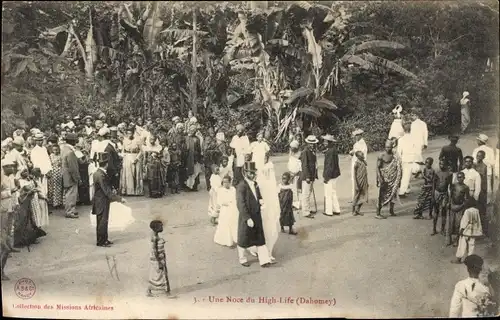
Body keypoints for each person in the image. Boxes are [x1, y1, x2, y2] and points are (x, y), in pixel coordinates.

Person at [236, 161, 273, 268]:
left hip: (256, 214)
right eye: (250, 173)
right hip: (246, 216)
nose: (252, 175)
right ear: (245, 173)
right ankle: (242, 259)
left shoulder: (255, 184)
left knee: (259, 237)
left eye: (253, 173)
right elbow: (240, 204)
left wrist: (261, 201)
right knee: (244, 238)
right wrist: (247, 218)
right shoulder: (241, 186)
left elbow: (258, 195)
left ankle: (264, 260)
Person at [92, 152, 125, 247]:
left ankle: (104, 239)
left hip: (100, 200)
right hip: (102, 201)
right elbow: (107, 191)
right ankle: (101, 241)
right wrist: (119, 199)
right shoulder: (101, 175)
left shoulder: (97, 173)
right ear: (106, 164)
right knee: (102, 221)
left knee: (103, 220)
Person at [257, 153, 280, 262]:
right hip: (263, 194)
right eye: (263, 158)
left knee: (270, 223)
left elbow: (271, 181)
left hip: (269, 195)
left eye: (266, 158)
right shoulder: (261, 168)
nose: (264, 159)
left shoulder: (270, 167)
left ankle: (268, 250)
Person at [376, 139, 402, 219]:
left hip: (393, 179)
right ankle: (378, 213)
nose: (387, 149)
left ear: (392, 147)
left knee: (393, 194)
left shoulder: (395, 156)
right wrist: (378, 178)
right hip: (384, 179)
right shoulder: (381, 155)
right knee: (382, 196)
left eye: (389, 147)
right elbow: (377, 168)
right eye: (386, 147)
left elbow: (399, 168)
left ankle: (391, 210)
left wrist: (399, 180)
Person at [147, 220, 172, 297]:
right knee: (162, 275)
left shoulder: (156, 236)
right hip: (158, 259)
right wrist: (159, 262)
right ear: (156, 228)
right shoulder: (155, 237)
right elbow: (154, 250)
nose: (162, 227)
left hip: (159, 258)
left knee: (157, 276)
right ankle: (167, 293)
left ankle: (149, 290)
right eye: (161, 226)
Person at [213, 175, 238, 247]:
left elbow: (234, 198)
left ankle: (234, 238)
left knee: (233, 223)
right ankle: (226, 240)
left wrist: (232, 203)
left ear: (230, 182)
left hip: (233, 208)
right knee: (225, 223)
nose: (225, 184)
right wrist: (227, 203)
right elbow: (220, 201)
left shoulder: (233, 189)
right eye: (224, 182)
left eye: (227, 182)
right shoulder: (220, 190)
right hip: (225, 208)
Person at [60, 133, 81, 219]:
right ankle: (69, 211)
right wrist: (77, 178)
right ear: (72, 141)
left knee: (69, 192)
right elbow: (73, 167)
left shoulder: (64, 149)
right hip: (70, 175)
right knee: (71, 193)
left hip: (65, 174)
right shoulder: (70, 152)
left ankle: (71, 209)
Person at [397, 121, 420, 196]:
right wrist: (417, 159)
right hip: (411, 159)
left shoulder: (401, 140)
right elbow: (417, 150)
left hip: (405, 159)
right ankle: (402, 192)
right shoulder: (414, 139)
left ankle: (406, 189)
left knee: (406, 175)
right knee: (406, 176)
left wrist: (400, 159)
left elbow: (399, 152)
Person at [120, 125, 144, 196]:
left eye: (130, 133)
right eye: (127, 133)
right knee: (128, 175)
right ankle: (128, 191)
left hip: (135, 156)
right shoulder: (125, 140)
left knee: (136, 174)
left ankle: (138, 190)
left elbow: (142, 151)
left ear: (133, 133)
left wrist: (137, 158)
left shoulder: (137, 140)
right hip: (127, 157)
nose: (129, 135)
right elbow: (123, 151)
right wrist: (123, 156)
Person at [448, 172, 470, 247]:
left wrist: (462, 206)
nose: (460, 179)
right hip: (453, 206)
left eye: (461, 177)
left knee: (458, 224)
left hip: (460, 207)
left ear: (464, 178)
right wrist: (449, 203)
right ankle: (449, 239)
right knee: (451, 223)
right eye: (458, 177)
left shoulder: (466, 187)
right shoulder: (454, 185)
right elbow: (450, 195)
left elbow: (467, 199)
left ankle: (457, 240)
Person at [432, 159, 453, 236]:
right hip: (437, 193)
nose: (441, 166)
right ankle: (434, 229)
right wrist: (433, 196)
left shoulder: (449, 174)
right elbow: (433, 185)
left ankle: (442, 229)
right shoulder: (437, 173)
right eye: (440, 164)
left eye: (443, 164)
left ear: (446, 165)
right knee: (436, 211)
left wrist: (450, 198)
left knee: (444, 211)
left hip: (444, 194)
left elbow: (450, 186)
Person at [322, 134, 341, 216]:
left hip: (330, 175)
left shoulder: (329, 152)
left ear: (329, 142)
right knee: (333, 192)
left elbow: (329, 166)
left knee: (328, 193)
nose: (324, 143)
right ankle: (336, 209)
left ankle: (329, 211)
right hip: (335, 174)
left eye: (325, 141)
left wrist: (326, 177)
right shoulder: (333, 150)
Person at [300, 135, 319, 219]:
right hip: (306, 176)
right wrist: (307, 176)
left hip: (311, 175)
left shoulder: (312, 151)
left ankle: (307, 208)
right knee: (306, 194)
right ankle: (305, 212)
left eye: (313, 143)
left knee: (309, 193)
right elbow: (304, 165)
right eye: (310, 143)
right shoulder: (305, 152)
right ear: (307, 143)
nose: (312, 145)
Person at [474, 150, 491, 237]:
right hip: (475, 190)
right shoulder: (473, 165)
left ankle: (484, 230)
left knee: (482, 211)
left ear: (483, 157)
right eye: (477, 155)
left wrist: (484, 192)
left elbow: (484, 180)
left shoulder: (484, 167)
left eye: (480, 156)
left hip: (482, 191)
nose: (478, 157)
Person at [30, 133, 52, 197]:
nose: (40, 142)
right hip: (39, 172)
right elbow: (35, 162)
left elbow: (47, 160)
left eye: (41, 140)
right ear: (36, 141)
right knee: (40, 188)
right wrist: (40, 172)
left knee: (46, 188)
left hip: (46, 171)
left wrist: (49, 170)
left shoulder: (44, 149)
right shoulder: (34, 150)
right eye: (38, 140)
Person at [349, 129, 367, 202]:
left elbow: (362, 155)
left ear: (360, 135)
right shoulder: (357, 143)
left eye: (357, 135)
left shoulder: (362, 144)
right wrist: (352, 152)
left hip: (359, 163)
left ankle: (357, 198)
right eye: (355, 135)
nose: (356, 137)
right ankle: (354, 197)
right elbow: (355, 151)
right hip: (354, 162)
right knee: (353, 179)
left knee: (358, 180)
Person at [184, 125, 203, 191]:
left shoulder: (197, 139)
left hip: (195, 157)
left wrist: (199, 156)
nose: (192, 131)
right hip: (188, 157)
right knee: (189, 172)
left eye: (194, 130)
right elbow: (185, 148)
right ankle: (188, 186)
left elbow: (199, 148)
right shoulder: (186, 138)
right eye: (191, 130)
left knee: (196, 171)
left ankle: (195, 186)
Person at [47, 144, 63, 208]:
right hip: (54, 172)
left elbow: (61, 164)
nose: (55, 151)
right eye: (54, 150)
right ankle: (54, 203)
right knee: (53, 188)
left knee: (59, 188)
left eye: (56, 150)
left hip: (59, 172)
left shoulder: (60, 156)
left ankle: (59, 202)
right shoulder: (51, 156)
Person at [352, 151, 368, 216]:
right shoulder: (356, 164)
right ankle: (353, 210)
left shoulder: (363, 162)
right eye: (362, 155)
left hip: (364, 181)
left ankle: (357, 210)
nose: (363, 155)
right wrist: (356, 184)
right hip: (358, 182)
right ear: (358, 156)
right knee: (356, 196)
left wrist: (363, 160)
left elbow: (366, 165)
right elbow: (354, 175)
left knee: (363, 196)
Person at [288, 140, 302, 210]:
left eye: (292, 148)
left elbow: (299, 166)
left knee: (298, 189)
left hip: (297, 175)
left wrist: (294, 174)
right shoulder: (291, 155)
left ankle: (298, 204)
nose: (291, 149)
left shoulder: (299, 155)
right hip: (291, 174)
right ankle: (294, 203)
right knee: (293, 189)